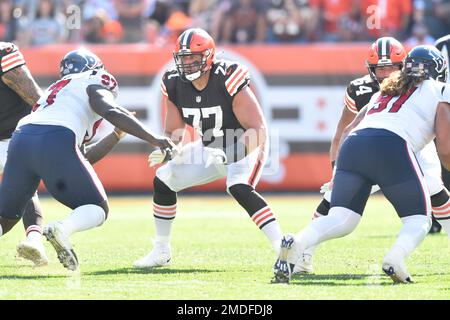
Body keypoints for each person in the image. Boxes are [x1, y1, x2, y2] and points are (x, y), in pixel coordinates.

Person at [273, 45, 450, 284]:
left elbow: (348, 129)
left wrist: (339, 170)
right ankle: (394, 259)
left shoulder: (384, 91)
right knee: (419, 219)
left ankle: (298, 242)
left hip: (353, 147)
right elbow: (446, 148)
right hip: (392, 146)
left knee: (342, 218)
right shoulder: (439, 89)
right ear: (438, 71)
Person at [0, 48, 174, 271]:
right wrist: (154, 138)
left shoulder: (55, 93)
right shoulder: (94, 78)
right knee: (97, 208)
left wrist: (116, 135)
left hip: (21, 137)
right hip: (56, 137)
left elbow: (82, 157)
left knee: (6, 217)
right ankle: (62, 228)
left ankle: (50, 231)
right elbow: (109, 109)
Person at [133, 28, 283, 268]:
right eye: (184, 58)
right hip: (210, 147)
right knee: (164, 178)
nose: (188, 63)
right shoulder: (172, 82)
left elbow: (258, 130)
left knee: (238, 186)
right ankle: (161, 250)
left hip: (244, 143)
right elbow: (175, 132)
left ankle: (283, 248)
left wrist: (230, 154)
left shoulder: (228, 76)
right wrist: (168, 149)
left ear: (209, 56)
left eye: (194, 57)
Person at [0, 41, 49, 266]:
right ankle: (35, 239)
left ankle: (35, 240)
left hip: (16, 133)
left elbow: (31, 93)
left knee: (24, 188)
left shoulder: (4, 52)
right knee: (22, 190)